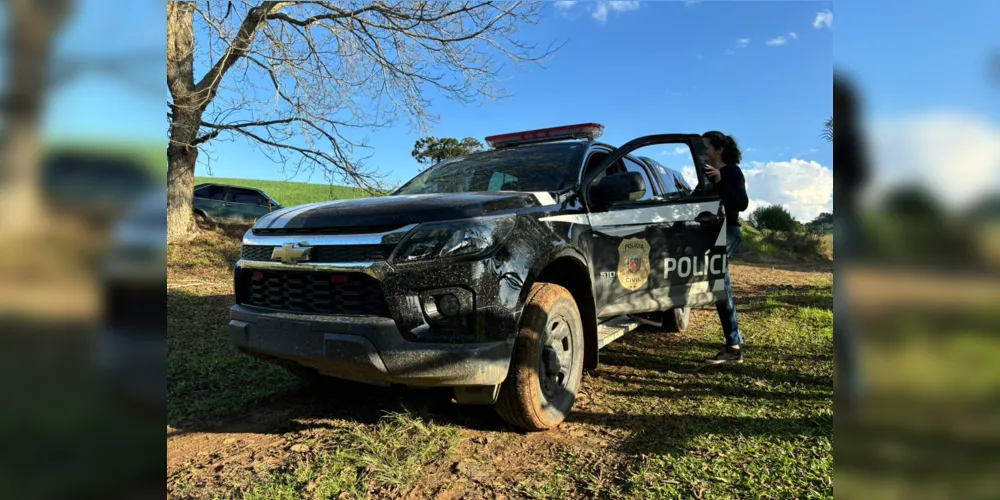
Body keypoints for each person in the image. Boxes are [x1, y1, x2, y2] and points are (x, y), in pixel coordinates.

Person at [701, 131, 750, 364]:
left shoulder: (731, 171)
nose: (703, 152)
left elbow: (741, 203)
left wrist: (721, 180)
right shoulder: (709, 174)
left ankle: (733, 348)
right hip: (712, 233)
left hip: (727, 232)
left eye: (706, 147)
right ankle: (733, 344)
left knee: (722, 288)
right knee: (719, 287)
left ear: (719, 149)